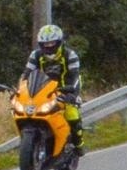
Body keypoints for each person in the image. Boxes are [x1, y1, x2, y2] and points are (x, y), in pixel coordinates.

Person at [23, 23, 84, 151]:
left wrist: (72, 93)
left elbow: (75, 76)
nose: (49, 46)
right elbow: (26, 75)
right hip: (42, 91)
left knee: (72, 114)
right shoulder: (35, 55)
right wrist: (21, 92)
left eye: (52, 43)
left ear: (59, 42)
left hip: (65, 89)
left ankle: (78, 143)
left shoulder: (70, 55)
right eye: (45, 44)